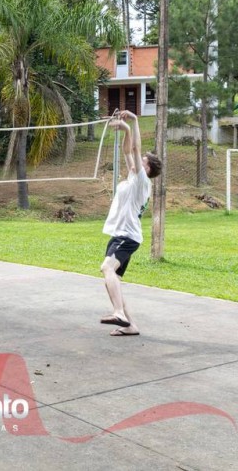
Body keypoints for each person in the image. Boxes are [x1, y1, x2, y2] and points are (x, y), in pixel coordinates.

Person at [99, 110, 162, 337]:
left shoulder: (142, 182)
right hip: (120, 234)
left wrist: (133, 122)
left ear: (147, 169)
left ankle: (119, 312)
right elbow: (128, 150)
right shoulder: (133, 177)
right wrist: (125, 130)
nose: (137, 160)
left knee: (107, 268)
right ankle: (130, 325)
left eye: (142, 161)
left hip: (127, 237)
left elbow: (135, 148)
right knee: (112, 278)